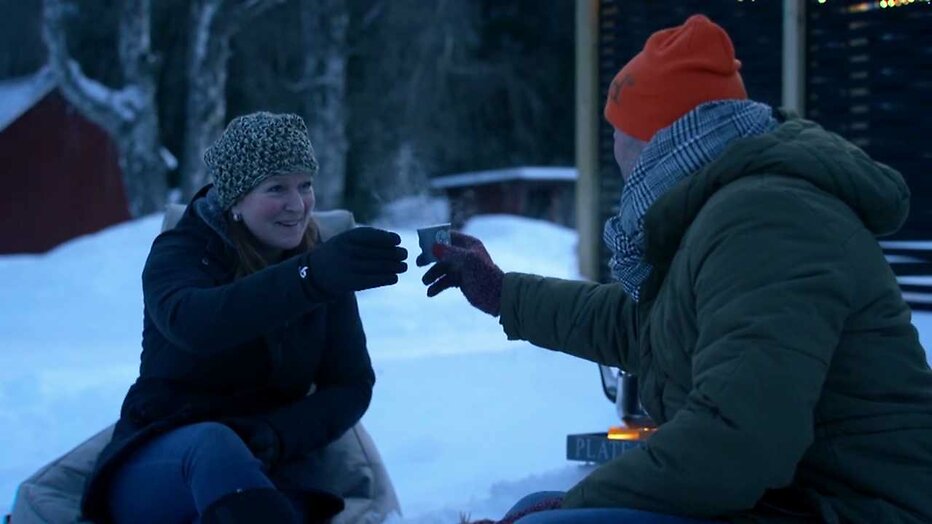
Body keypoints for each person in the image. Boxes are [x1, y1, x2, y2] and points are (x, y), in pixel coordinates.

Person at [420, 14, 932, 524]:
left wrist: (576, 503)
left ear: (659, 138)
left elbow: (739, 441)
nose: (614, 150)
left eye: (618, 130)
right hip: (798, 495)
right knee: (537, 512)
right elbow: (645, 327)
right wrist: (502, 292)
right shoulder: (728, 210)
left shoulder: (768, 220)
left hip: (856, 507)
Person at [79, 112, 408, 523]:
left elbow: (351, 384)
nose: (297, 204)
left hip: (270, 464)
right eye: (276, 188)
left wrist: (279, 434)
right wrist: (311, 278)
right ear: (235, 199)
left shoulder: (320, 263)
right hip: (165, 461)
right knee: (215, 447)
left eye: (305, 185)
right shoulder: (180, 252)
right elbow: (196, 325)